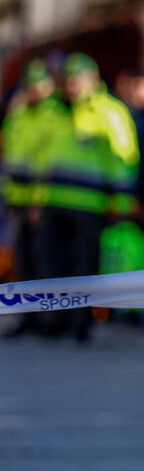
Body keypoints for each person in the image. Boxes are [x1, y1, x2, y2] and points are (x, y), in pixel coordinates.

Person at [35, 53, 139, 342]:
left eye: (77, 79)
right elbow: (42, 158)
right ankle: (56, 319)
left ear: (92, 79)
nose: (72, 85)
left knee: (84, 266)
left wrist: (120, 203)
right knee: (53, 262)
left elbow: (123, 159)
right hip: (54, 200)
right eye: (68, 79)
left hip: (90, 204)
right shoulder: (54, 111)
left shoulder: (109, 111)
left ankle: (81, 321)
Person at [0, 60, 63, 337]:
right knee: (23, 262)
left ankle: (48, 320)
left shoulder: (57, 117)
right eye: (30, 84)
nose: (34, 90)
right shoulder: (18, 115)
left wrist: (40, 201)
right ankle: (26, 317)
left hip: (43, 202)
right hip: (17, 200)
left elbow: (50, 165)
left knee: (44, 261)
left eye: (40, 84)